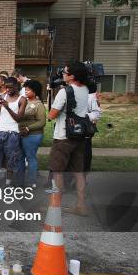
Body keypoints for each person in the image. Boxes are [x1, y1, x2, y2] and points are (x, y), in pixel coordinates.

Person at [47, 61, 91, 216]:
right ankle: (81, 205)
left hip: (63, 136)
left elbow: (51, 115)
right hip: (79, 136)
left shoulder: (65, 91)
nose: (62, 74)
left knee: (57, 171)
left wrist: (52, 99)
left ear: (72, 76)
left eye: (65, 72)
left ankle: (55, 206)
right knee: (78, 172)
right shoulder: (86, 89)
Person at [0, 77, 26, 187]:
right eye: (6, 87)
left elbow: (19, 118)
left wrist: (7, 107)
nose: (7, 90)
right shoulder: (3, 96)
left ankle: (8, 184)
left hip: (13, 133)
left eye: (10, 87)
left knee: (11, 159)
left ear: (16, 87)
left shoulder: (22, 99)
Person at [18, 80, 46, 188]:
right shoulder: (24, 101)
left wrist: (28, 128)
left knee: (30, 158)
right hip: (21, 134)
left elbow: (42, 122)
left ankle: (31, 182)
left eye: (28, 90)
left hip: (33, 135)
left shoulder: (39, 105)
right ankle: (19, 181)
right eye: (25, 89)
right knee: (20, 157)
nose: (25, 91)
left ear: (35, 92)